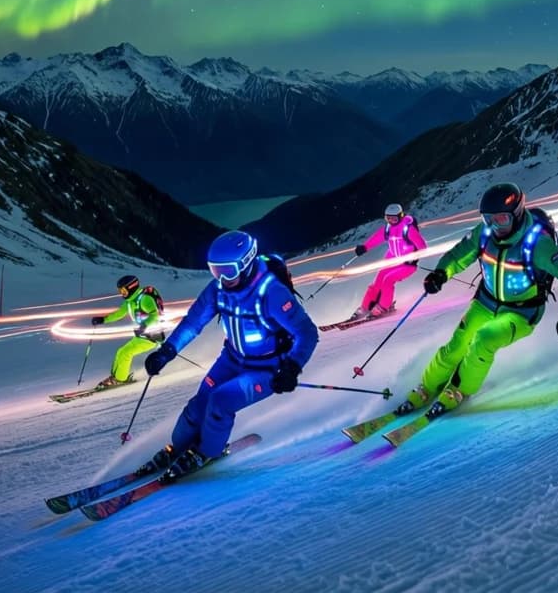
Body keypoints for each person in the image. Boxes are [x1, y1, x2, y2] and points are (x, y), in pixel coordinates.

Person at [393, 182, 558, 421]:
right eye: (489, 219)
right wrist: (441, 273)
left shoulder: (537, 244)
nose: (495, 226)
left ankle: (459, 390)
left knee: (484, 339)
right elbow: (458, 255)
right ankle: (427, 387)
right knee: (457, 344)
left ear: (517, 214)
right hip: (485, 302)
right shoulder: (484, 234)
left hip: (521, 313)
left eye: (502, 219)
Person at [143, 231, 318, 478]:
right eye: (216, 271)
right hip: (232, 359)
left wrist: (291, 367)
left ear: (246, 264)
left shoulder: (270, 292)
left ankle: (206, 453)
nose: (222, 278)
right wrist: (166, 351)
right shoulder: (218, 289)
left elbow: (307, 333)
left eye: (228, 271)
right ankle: (177, 448)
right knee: (198, 405)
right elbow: (193, 323)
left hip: (267, 368)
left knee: (221, 402)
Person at [348, 203, 427, 320]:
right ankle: (365, 307)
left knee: (388, 280)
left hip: (407, 264)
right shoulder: (388, 228)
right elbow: (376, 238)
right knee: (378, 281)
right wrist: (364, 247)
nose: (391, 221)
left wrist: (413, 258)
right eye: (388, 218)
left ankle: (384, 307)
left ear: (400, 216)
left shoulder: (408, 229)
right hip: (393, 259)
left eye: (394, 218)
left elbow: (422, 247)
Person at [90, 275, 163, 388]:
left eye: (123, 290)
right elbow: (119, 314)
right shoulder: (129, 302)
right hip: (142, 336)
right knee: (121, 351)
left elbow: (155, 315)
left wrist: (144, 325)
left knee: (126, 353)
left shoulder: (144, 299)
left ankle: (120, 379)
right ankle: (115, 377)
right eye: (120, 291)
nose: (122, 293)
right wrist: (103, 319)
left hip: (152, 336)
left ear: (131, 287)